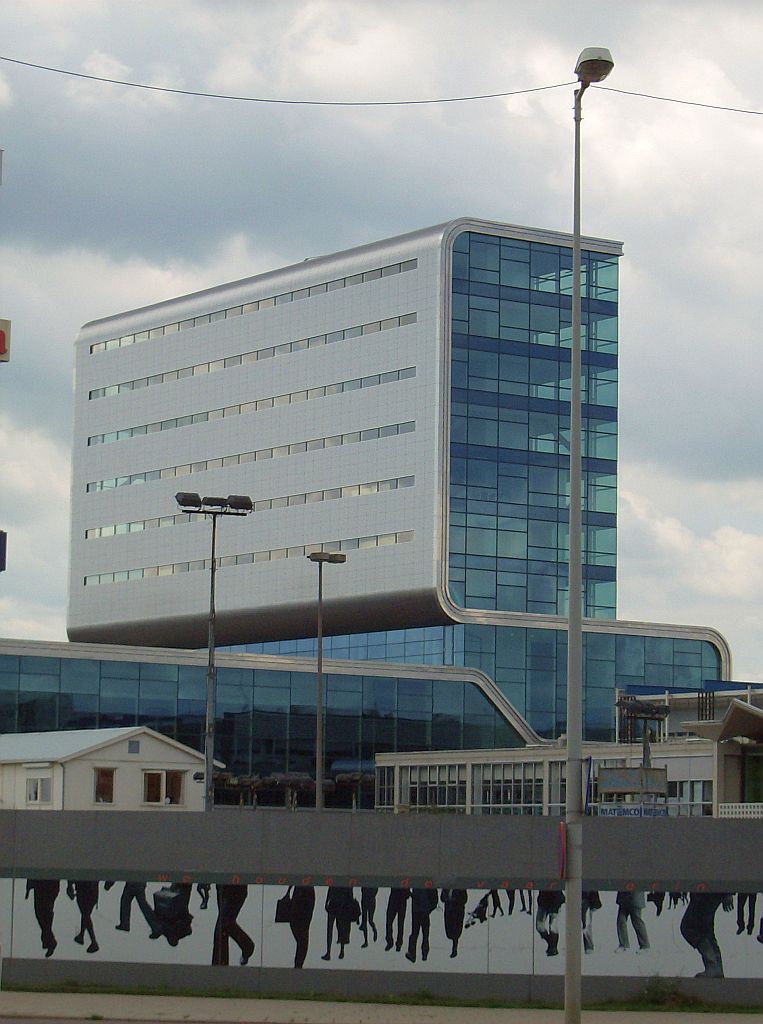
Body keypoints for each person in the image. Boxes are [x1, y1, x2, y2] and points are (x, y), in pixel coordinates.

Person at [680, 892, 733, 978]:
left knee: (690, 927)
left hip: (707, 892)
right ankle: (716, 967)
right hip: (707, 891)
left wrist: (727, 893)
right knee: (705, 929)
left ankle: (713, 965)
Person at [212, 884, 254, 966]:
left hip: (236, 887)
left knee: (222, 927)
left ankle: (219, 968)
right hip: (222, 886)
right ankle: (247, 945)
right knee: (224, 926)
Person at [25, 879, 60, 958]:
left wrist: (28, 888)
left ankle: (49, 941)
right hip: (43, 884)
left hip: (46, 885)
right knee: (42, 913)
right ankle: (49, 941)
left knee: (43, 913)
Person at [322, 886, 356, 961]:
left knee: (339, 928)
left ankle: (339, 950)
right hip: (336, 904)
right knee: (336, 929)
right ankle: (331, 952)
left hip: (341, 905)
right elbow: (331, 888)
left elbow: (350, 893)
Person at [405, 887, 438, 963]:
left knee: (419, 934)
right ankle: (421, 954)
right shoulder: (420, 885)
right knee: (422, 934)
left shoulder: (419, 885)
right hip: (420, 910)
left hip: (420, 910)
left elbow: (434, 898)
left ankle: (417, 953)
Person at [66, 880, 100, 953]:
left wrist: (69, 886)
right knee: (85, 915)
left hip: (84, 890)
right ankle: (83, 936)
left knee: (85, 914)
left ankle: (91, 940)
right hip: (91, 890)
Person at [289, 885, 315, 968]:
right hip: (303, 894)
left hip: (303, 894)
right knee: (303, 937)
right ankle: (298, 963)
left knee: (302, 936)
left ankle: (298, 963)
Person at [535, 889, 564, 957]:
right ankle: (551, 945)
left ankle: (553, 947)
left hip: (555, 900)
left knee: (553, 926)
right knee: (539, 926)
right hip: (544, 900)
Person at [441, 888, 467, 957]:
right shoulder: (446, 888)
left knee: (456, 931)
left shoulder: (460, 888)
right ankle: (454, 946)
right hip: (449, 911)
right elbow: (442, 898)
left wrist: (455, 900)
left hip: (457, 912)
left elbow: (464, 899)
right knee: (449, 931)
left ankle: (455, 947)